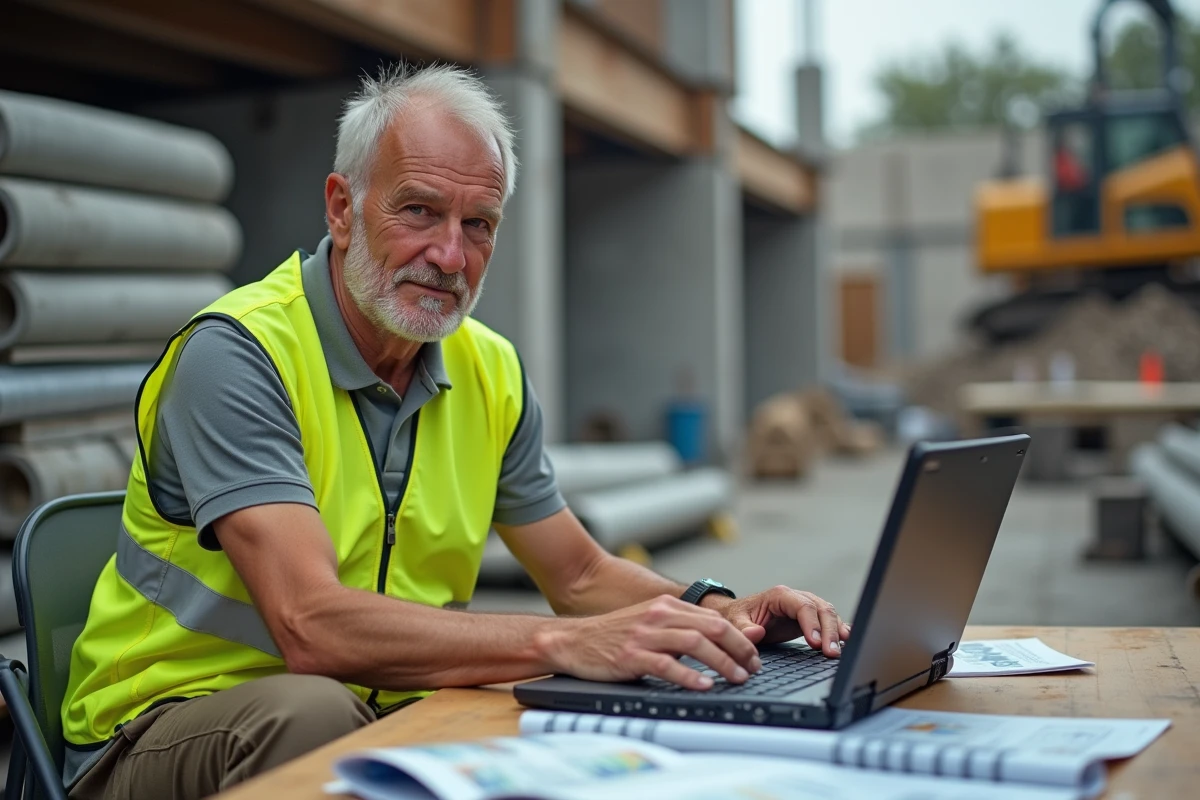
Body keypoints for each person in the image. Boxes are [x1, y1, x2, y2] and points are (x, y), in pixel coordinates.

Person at [61, 65, 850, 800]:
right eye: (419, 211)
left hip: (387, 712)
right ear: (341, 207)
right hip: (161, 728)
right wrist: (557, 646)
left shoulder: (489, 370)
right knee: (315, 715)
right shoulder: (238, 355)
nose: (448, 255)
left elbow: (576, 576)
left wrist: (719, 615)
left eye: (479, 224)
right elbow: (311, 625)